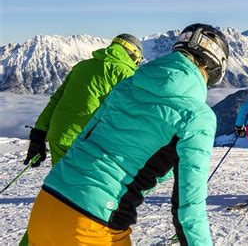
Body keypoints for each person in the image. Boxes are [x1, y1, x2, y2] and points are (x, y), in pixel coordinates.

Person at [26, 23, 229, 245]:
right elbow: (189, 210)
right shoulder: (198, 116)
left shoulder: (126, 86)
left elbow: (87, 138)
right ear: (214, 69)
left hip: (46, 206)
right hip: (91, 224)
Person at [23, 33, 143, 167]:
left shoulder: (82, 66)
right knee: (87, 186)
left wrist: (38, 134)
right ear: (134, 55)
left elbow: (56, 100)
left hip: (59, 135)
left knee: (62, 183)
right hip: (88, 140)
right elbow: (131, 114)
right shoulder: (126, 74)